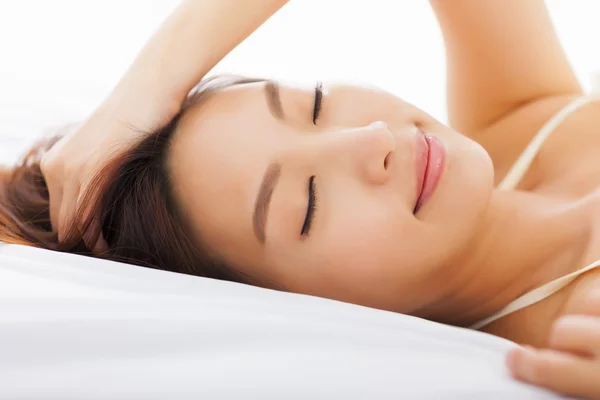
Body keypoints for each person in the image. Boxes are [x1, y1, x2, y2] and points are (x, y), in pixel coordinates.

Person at [2, 0, 600, 397]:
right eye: (308, 203)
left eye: (314, 104)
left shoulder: (519, 117)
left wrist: (147, 85)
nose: (372, 142)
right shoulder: (581, 332)